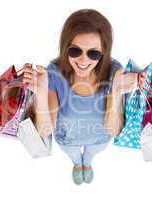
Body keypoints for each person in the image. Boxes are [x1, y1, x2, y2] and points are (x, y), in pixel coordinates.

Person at [22, 9, 145, 185]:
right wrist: (41, 93)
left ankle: (86, 163)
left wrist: (117, 90)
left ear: (103, 52)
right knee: (73, 155)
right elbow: (44, 131)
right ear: (65, 47)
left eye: (93, 53)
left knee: (91, 153)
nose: (83, 60)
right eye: (75, 51)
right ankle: (76, 163)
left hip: (99, 139)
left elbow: (114, 131)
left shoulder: (113, 71)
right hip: (67, 140)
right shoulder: (55, 71)